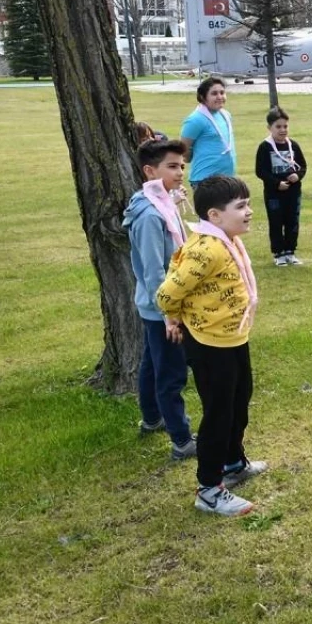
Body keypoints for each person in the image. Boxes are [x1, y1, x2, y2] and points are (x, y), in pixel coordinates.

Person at [157, 175, 268, 517]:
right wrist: (174, 318)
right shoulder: (206, 248)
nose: (249, 212)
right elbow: (167, 293)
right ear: (215, 215)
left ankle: (233, 463)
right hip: (209, 343)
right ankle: (208, 489)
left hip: (233, 336)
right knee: (219, 413)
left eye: (248, 204)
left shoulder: (226, 240)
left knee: (239, 400)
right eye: (241, 206)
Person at [122, 139, 194, 460]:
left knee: (152, 364)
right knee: (171, 374)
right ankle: (181, 440)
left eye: (182, 166)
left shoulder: (159, 202)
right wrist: (171, 316)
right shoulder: (150, 216)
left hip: (157, 306)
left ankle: (152, 419)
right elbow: (153, 272)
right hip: (161, 308)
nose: (180, 172)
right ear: (150, 171)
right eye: (172, 166)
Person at [254, 106, 308, 266]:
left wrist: (297, 176)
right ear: (269, 128)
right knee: (276, 222)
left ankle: (290, 251)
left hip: (293, 192)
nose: (282, 130)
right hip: (274, 194)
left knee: (292, 221)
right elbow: (260, 171)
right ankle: (278, 253)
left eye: (285, 126)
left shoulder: (294, 146)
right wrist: (277, 183)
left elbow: (303, 166)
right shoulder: (265, 147)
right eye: (278, 126)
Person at [180, 77, 237, 185]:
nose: (220, 97)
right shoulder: (195, 119)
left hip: (228, 178)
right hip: (205, 180)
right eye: (214, 94)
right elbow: (183, 149)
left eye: (222, 92)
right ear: (203, 97)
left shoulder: (226, 115)